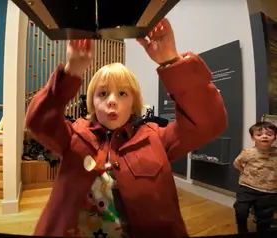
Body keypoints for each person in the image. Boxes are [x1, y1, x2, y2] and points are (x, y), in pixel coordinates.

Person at [25, 18, 227, 238]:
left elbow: (208, 123)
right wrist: (71, 71)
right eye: (103, 93)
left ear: (133, 103)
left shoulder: (156, 138)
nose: (112, 100)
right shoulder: (72, 136)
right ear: (92, 103)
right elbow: (39, 120)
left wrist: (171, 61)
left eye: (122, 93)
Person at [233, 121, 277, 233]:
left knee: (264, 217)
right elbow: (236, 163)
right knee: (241, 210)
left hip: (269, 191)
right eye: (259, 134)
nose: (264, 136)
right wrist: (244, 171)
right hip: (247, 187)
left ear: (275, 137)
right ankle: (242, 229)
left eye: (269, 134)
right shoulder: (248, 152)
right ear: (253, 138)